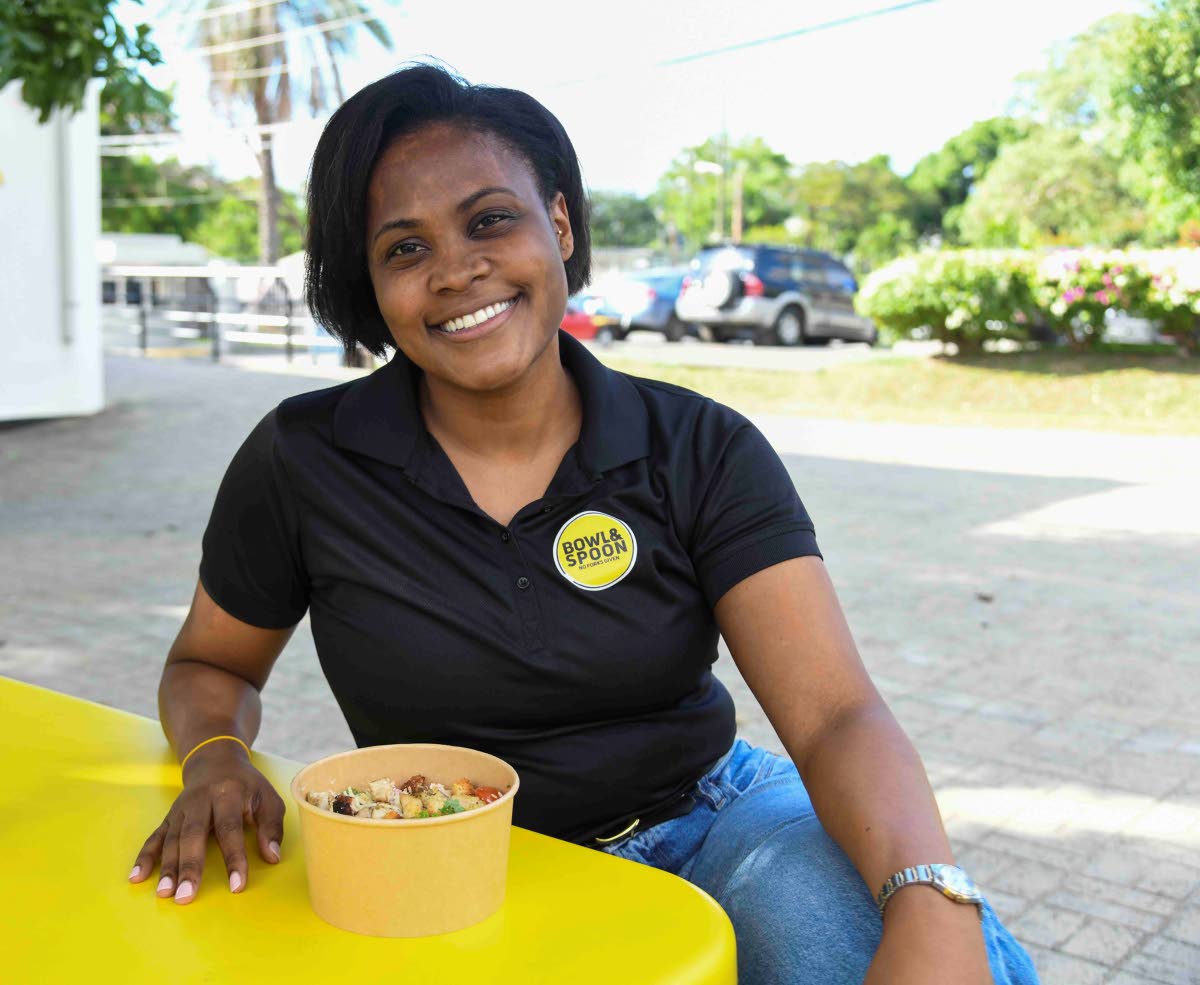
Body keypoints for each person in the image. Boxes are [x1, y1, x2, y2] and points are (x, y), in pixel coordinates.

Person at [127, 64, 1039, 984]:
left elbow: (837, 714)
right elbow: (211, 663)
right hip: (450, 860)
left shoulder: (698, 446)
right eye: (405, 249)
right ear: (370, 283)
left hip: (719, 822)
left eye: (491, 220)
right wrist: (215, 755)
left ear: (558, 224)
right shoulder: (304, 460)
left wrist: (928, 893)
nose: (456, 269)